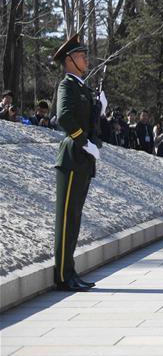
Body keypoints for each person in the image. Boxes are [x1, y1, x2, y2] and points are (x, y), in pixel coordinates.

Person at [51, 33, 102, 291]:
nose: (86, 60)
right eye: (82, 56)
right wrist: (84, 142)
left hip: (82, 159)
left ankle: (70, 271)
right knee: (67, 218)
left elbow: (87, 119)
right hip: (72, 157)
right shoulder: (67, 86)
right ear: (69, 60)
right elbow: (65, 117)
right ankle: (62, 275)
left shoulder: (82, 86)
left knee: (76, 217)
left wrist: (99, 107)